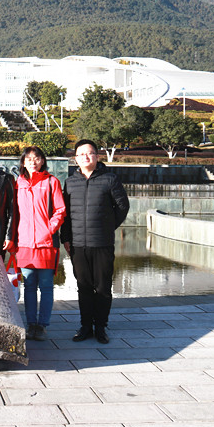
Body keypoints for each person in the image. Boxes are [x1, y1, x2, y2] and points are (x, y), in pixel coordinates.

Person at [61, 139, 130, 344]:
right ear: (75, 158)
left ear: (97, 156)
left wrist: (107, 227)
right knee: (83, 286)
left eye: (89, 153)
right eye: (81, 154)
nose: (85, 157)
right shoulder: (70, 182)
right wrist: (66, 238)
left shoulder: (110, 179)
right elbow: (65, 214)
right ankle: (85, 326)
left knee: (102, 287)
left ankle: (100, 326)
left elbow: (123, 206)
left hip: (102, 243)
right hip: (78, 245)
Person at [13, 146, 66, 341]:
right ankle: (31, 324)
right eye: (28, 158)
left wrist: (49, 229)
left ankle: (42, 325)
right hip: (25, 243)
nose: (32, 162)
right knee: (28, 286)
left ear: (42, 161)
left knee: (46, 286)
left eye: (36, 158)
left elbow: (60, 209)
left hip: (46, 244)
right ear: (23, 162)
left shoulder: (51, 181)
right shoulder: (18, 183)